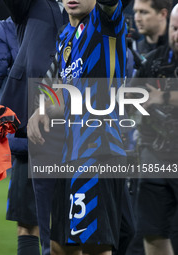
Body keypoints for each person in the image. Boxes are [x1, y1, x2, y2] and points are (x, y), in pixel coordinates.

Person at [28, 0, 128, 254]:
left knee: (95, 246)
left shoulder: (103, 22)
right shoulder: (66, 37)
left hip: (97, 152)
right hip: (71, 155)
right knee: (59, 245)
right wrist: (45, 110)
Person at [0, 1, 66, 254]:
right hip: (34, 131)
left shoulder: (90, 7)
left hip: (80, 130)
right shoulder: (33, 5)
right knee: (30, 222)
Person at [0, 17, 41, 254]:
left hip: (29, 141)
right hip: (76, 142)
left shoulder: (7, 28)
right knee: (73, 230)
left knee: (28, 228)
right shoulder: (79, 23)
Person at [130, 4, 178, 255]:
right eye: (174, 28)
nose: (176, 35)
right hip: (155, 157)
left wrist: (165, 98)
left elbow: (158, 97)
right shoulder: (155, 61)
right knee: (152, 231)